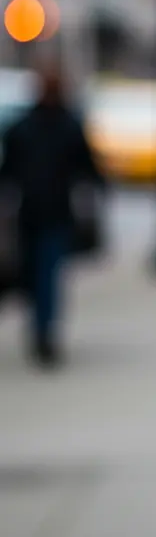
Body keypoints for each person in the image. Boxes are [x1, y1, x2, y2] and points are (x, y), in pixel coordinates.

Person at [0, 69, 105, 367]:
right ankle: (43, 331)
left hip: (39, 214)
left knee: (41, 275)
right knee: (42, 276)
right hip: (46, 213)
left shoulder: (27, 127)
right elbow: (89, 169)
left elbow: (8, 173)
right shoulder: (62, 126)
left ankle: (42, 331)